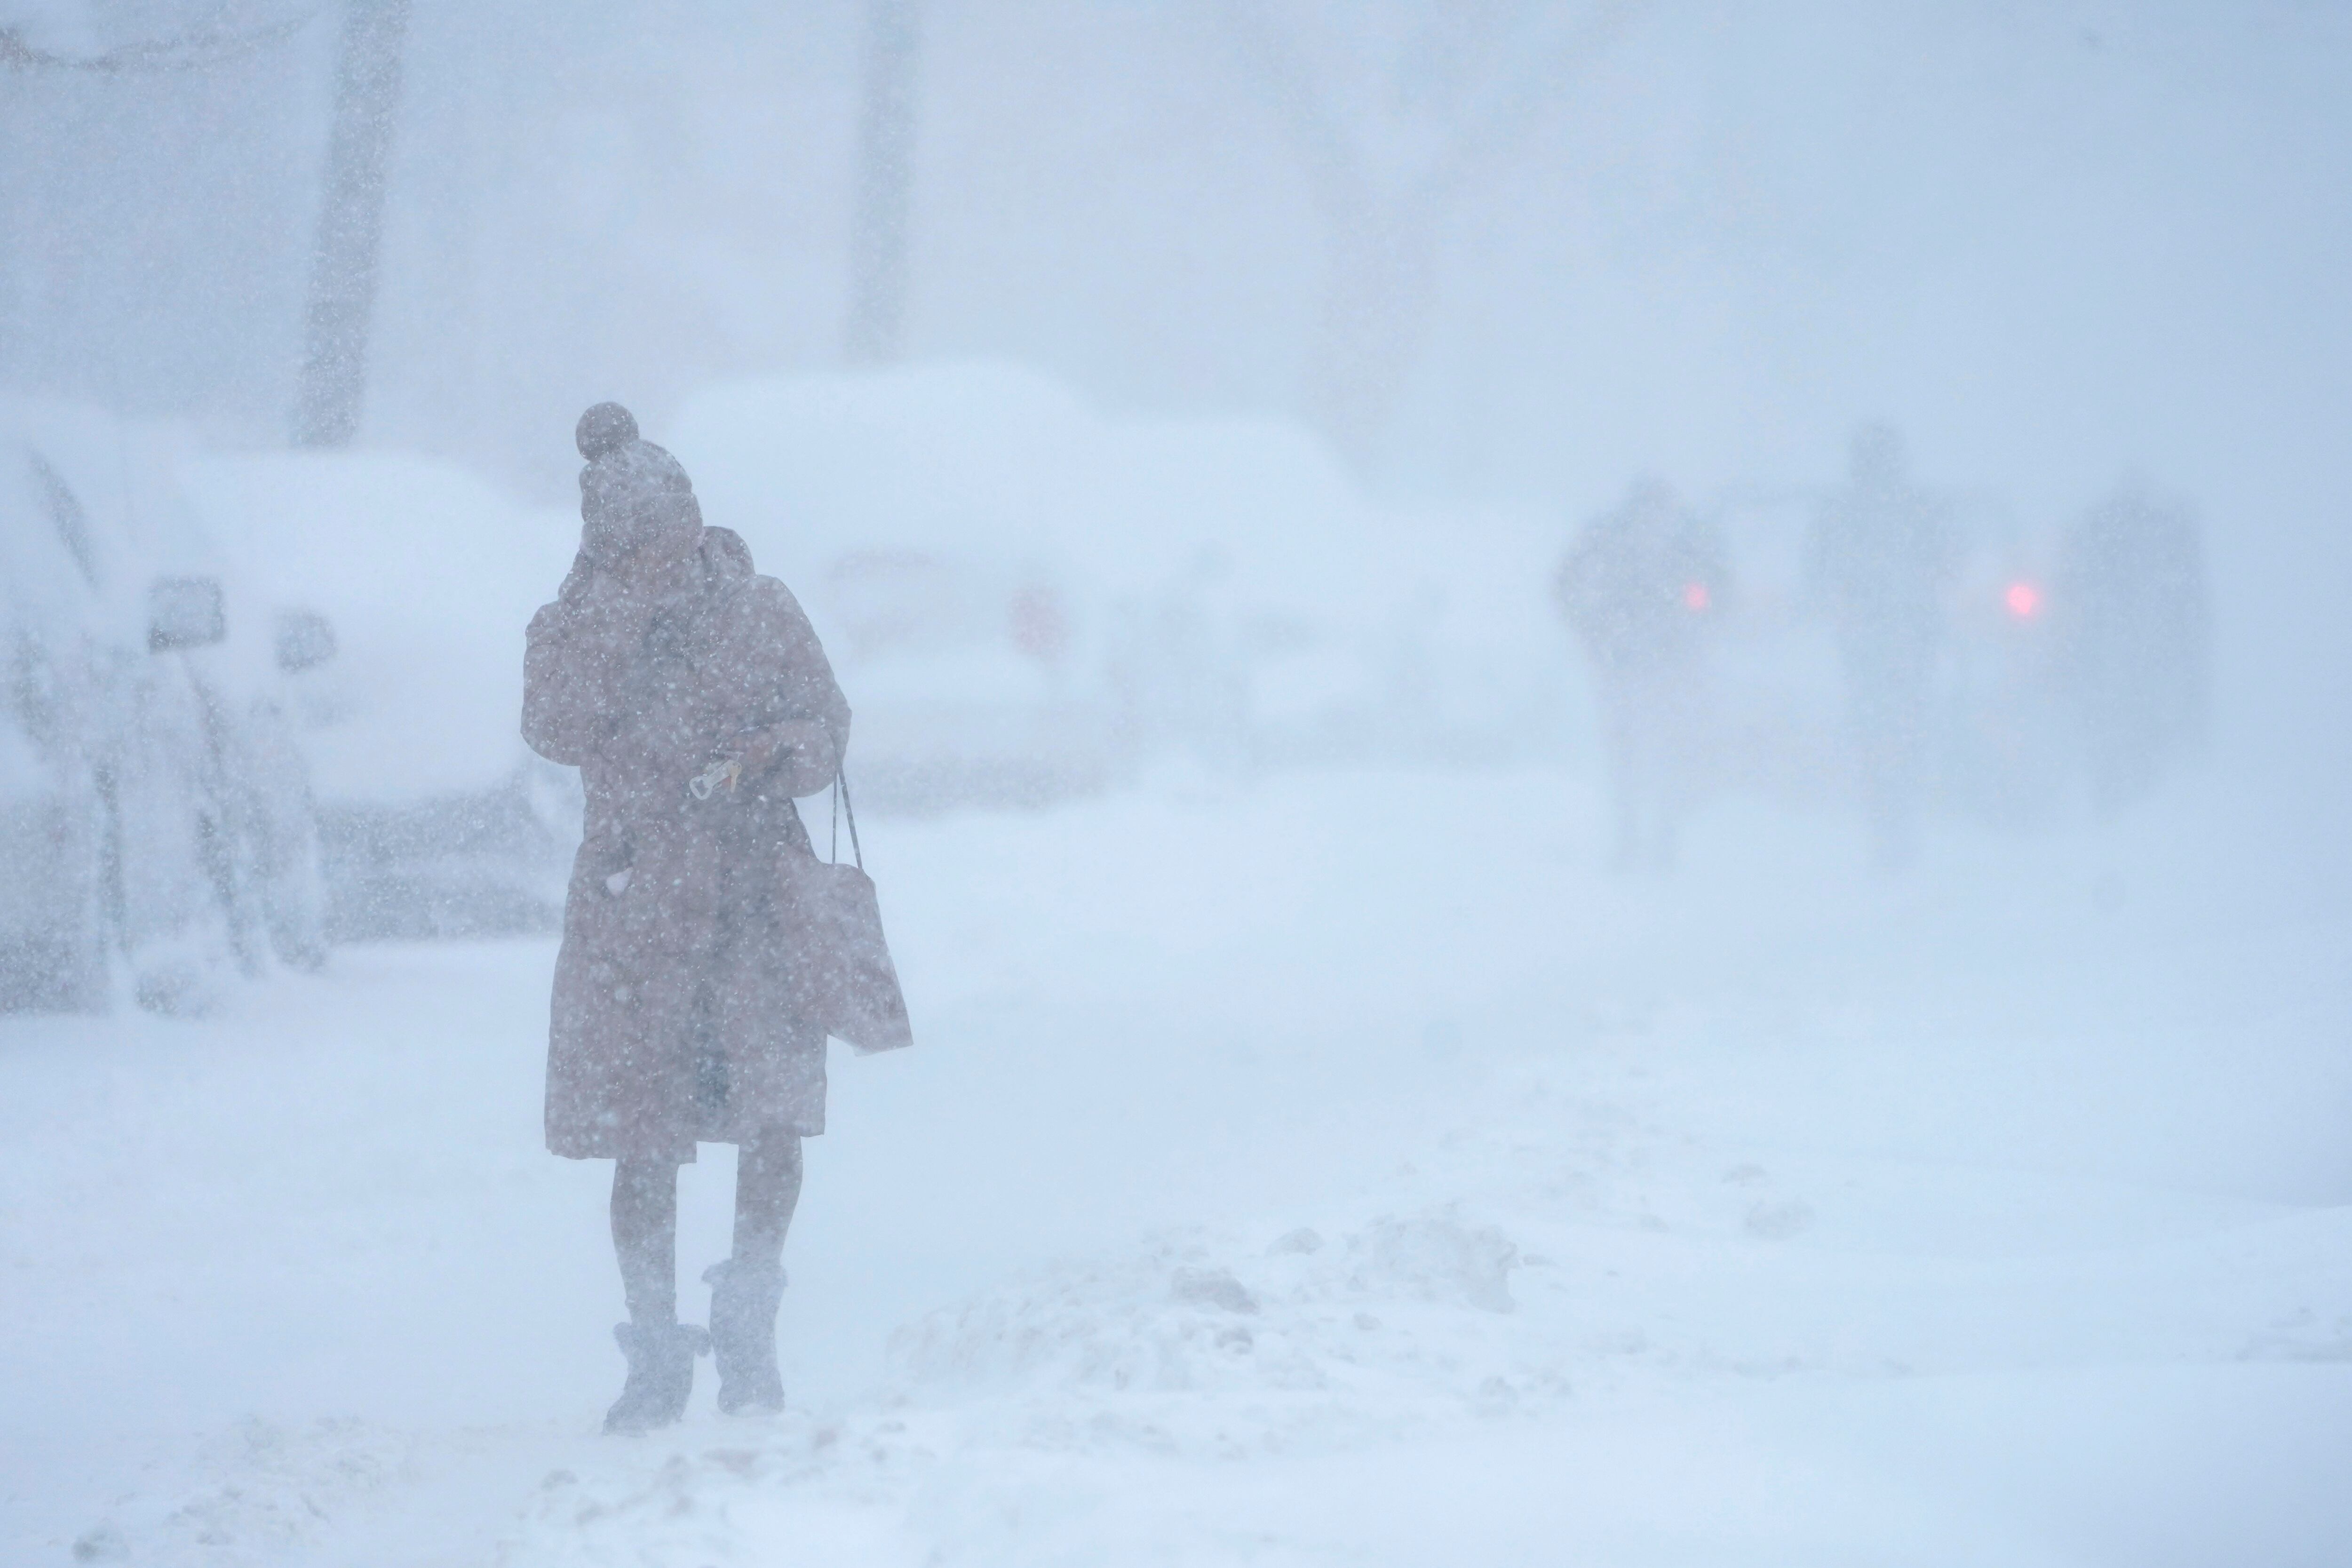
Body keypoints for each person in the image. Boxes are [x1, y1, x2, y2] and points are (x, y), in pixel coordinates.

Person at [522, 402, 851, 1433]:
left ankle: (749, 1322)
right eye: (639, 546)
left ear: (693, 519)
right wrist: (616, 619)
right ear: (609, 543)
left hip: (755, 896)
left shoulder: (760, 607)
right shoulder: (573, 625)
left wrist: (773, 753)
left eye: (671, 534)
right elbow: (555, 728)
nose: (664, 558)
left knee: (771, 1114)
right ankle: (654, 1348)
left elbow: (825, 725)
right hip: (636, 912)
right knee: (640, 1136)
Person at [1554, 478, 1727, 871]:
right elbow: (1566, 583)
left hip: (1641, 661)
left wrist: (1590, 628)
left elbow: (1711, 591)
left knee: (1644, 756)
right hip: (1640, 661)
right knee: (1644, 756)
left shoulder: (1625, 540)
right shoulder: (1677, 543)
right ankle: (1642, 841)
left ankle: (1649, 841)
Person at [1808, 424, 1954, 871]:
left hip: (1872, 644)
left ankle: (1887, 823)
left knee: (1878, 732)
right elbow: (1950, 561)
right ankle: (1896, 824)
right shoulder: (1920, 509)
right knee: (1901, 731)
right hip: (1905, 642)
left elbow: (1814, 573)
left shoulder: (1842, 512)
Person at [2053, 476, 2209, 814]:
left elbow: (2074, 586)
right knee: (2129, 712)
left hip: (2114, 648)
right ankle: (2128, 796)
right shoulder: (2157, 544)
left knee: (2114, 714)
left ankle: (2118, 796)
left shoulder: (2101, 536)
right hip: (2130, 649)